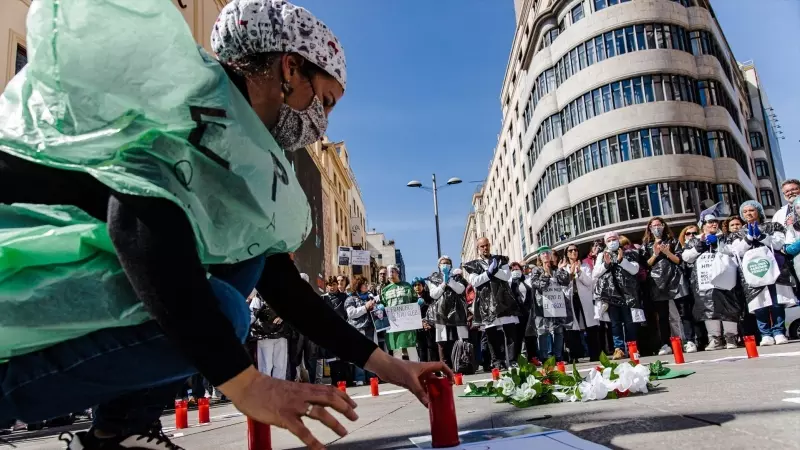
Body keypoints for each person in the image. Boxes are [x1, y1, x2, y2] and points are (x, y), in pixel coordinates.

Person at [0, 2, 453, 448]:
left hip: (50, 275)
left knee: (240, 269)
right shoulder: (191, 105)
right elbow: (138, 225)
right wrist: (246, 385)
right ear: (291, 68)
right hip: (17, 276)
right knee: (223, 308)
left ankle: (121, 430)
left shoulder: (235, 145)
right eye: (326, 101)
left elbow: (280, 280)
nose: (322, 123)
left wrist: (393, 367)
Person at [731, 200, 797, 346]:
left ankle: (779, 332)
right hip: (752, 271)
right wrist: (748, 238)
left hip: (774, 269)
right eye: (745, 211)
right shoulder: (738, 233)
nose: (748, 213)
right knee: (759, 303)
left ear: (758, 212)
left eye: (752, 210)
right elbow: (737, 251)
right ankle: (765, 334)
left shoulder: (773, 226)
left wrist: (762, 236)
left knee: (776, 302)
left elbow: (779, 243)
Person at [683, 214, 741, 350]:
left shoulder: (725, 237)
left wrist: (718, 244)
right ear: (702, 225)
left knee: (728, 306)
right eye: (710, 222)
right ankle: (714, 338)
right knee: (709, 307)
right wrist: (699, 246)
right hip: (705, 281)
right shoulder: (694, 240)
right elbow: (686, 257)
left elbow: (735, 251)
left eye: (715, 221)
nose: (714, 224)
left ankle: (730, 337)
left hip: (725, 277)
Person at [463, 238, 521, 369]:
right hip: (486, 303)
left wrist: (495, 270)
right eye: (482, 246)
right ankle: (497, 362)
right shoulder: (473, 265)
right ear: (478, 248)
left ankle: (512, 360)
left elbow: (507, 276)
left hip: (504, 300)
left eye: (486, 245)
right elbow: (475, 282)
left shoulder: (501, 259)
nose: (485, 248)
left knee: (510, 331)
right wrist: (489, 272)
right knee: (492, 335)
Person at [593, 232, 641, 360]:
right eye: (609, 240)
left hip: (628, 294)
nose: (612, 241)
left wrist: (621, 260)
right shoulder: (601, 255)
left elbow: (635, 269)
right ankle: (618, 349)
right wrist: (606, 264)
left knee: (630, 322)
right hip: (611, 296)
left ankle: (632, 347)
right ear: (605, 242)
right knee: (615, 323)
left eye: (614, 239)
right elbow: (595, 273)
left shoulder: (628, 252)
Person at [641, 217, 685, 356]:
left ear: (664, 226)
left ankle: (686, 340)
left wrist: (667, 253)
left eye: (659, 225)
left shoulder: (672, 241)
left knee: (681, 313)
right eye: (653, 226)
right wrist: (655, 254)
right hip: (657, 283)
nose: (656, 228)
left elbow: (678, 260)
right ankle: (666, 343)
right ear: (649, 228)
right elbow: (646, 264)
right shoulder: (647, 244)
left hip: (674, 280)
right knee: (663, 316)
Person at [527, 248, 572, 362]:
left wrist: (561, 269)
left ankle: (558, 356)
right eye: (543, 253)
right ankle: (545, 357)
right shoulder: (537, 270)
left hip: (557, 303)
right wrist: (546, 275)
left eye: (548, 253)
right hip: (542, 305)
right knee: (543, 331)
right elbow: (537, 285)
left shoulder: (556, 269)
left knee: (559, 330)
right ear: (539, 257)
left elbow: (566, 281)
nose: (546, 255)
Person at [427, 257, 470, 368]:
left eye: (447, 263)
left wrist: (449, 280)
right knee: (442, 341)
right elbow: (434, 294)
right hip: (441, 313)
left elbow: (460, 289)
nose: (445, 265)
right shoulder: (434, 278)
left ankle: (460, 363)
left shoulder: (456, 277)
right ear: (439, 265)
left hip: (457, 313)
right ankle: (445, 366)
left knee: (459, 338)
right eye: (443, 263)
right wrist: (443, 284)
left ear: (451, 265)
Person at [565, 244, 602, 362]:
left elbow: (589, 283)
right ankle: (575, 356)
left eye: (575, 250)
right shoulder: (563, 268)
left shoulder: (585, 266)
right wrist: (570, 274)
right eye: (570, 250)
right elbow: (563, 285)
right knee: (573, 328)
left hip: (584, 299)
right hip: (571, 299)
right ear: (567, 253)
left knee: (590, 327)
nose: (573, 252)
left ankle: (595, 354)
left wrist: (580, 272)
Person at [250, 289, 291, 379]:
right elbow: (252, 315)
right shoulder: (258, 297)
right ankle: (269, 390)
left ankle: (273, 390)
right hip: (268, 335)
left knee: (275, 365)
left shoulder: (259, 297)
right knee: (270, 366)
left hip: (277, 334)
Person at [344, 277, 378, 386]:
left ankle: (372, 377)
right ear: (358, 286)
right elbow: (351, 313)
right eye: (364, 284)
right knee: (360, 354)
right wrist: (365, 307)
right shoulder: (351, 299)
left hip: (370, 329)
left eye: (366, 283)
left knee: (371, 355)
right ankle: (360, 378)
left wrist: (378, 308)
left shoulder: (371, 297)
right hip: (357, 330)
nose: (366, 285)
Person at [381, 266, 419, 361]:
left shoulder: (407, 286)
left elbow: (415, 300)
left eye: (393, 271)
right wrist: (380, 307)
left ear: (397, 272)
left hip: (408, 322)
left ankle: (416, 371)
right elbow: (383, 304)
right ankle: (399, 373)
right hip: (393, 324)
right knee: (396, 348)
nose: (391, 274)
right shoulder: (385, 290)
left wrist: (418, 303)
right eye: (389, 272)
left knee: (411, 347)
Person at [675, 225, 701, 353]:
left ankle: (702, 339)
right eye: (688, 234)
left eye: (695, 233)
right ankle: (690, 340)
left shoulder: (702, 245)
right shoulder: (679, 248)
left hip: (700, 284)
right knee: (685, 313)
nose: (692, 236)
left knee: (700, 312)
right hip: (684, 285)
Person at [509, 262, 538, 361]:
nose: (515, 272)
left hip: (528, 312)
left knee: (530, 336)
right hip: (516, 314)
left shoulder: (527, 280)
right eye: (512, 270)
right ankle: (515, 359)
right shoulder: (509, 283)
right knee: (517, 337)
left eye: (517, 269)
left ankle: (532, 357)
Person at [412, 277, 438, 363]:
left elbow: (433, 309)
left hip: (429, 325)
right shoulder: (412, 298)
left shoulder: (429, 296)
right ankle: (424, 370)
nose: (417, 287)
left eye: (419, 284)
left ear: (423, 285)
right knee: (421, 348)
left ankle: (435, 370)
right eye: (415, 285)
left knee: (432, 346)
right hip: (418, 326)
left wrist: (427, 322)